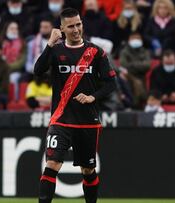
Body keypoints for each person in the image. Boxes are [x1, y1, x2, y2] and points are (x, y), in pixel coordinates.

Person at [34, 8, 117, 203]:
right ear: (62, 28)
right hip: (61, 119)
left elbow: (111, 83)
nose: (76, 29)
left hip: (87, 121)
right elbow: (38, 71)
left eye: (78, 24)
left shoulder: (95, 52)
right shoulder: (55, 51)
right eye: (70, 26)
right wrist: (49, 44)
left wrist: (92, 97)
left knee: (88, 170)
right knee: (52, 164)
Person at [119, 32, 151, 107]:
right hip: (128, 77)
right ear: (129, 40)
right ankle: (135, 105)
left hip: (142, 77)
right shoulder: (124, 52)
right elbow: (124, 65)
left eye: (138, 38)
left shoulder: (145, 52)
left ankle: (136, 105)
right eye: (133, 38)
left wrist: (132, 65)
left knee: (139, 83)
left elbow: (147, 65)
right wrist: (139, 65)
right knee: (136, 83)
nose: (135, 40)